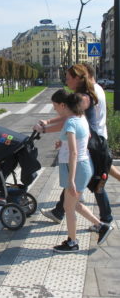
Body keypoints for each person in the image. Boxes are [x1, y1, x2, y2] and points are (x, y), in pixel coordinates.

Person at [35, 64, 114, 230]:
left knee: (97, 184)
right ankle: (60, 211)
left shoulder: (83, 98)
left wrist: (45, 129)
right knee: (89, 183)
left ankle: (105, 221)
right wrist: (49, 124)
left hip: (93, 146)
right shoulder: (82, 95)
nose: (66, 80)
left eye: (68, 78)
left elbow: (69, 120)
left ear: (78, 78)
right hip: (90, 143)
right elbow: (66, 115)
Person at [48, 90, 113, 252]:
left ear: (64, 105)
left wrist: (71, 180)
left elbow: (74, 152)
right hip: (84, 166)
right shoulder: (81, 118)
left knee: (68, 207)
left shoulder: (70, 123)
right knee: (74, 204)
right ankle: (101, 226)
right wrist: (61, 144)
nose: (55, 109)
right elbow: (83, 140)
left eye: (55, 106)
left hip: (76, 169)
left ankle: (72, 242)